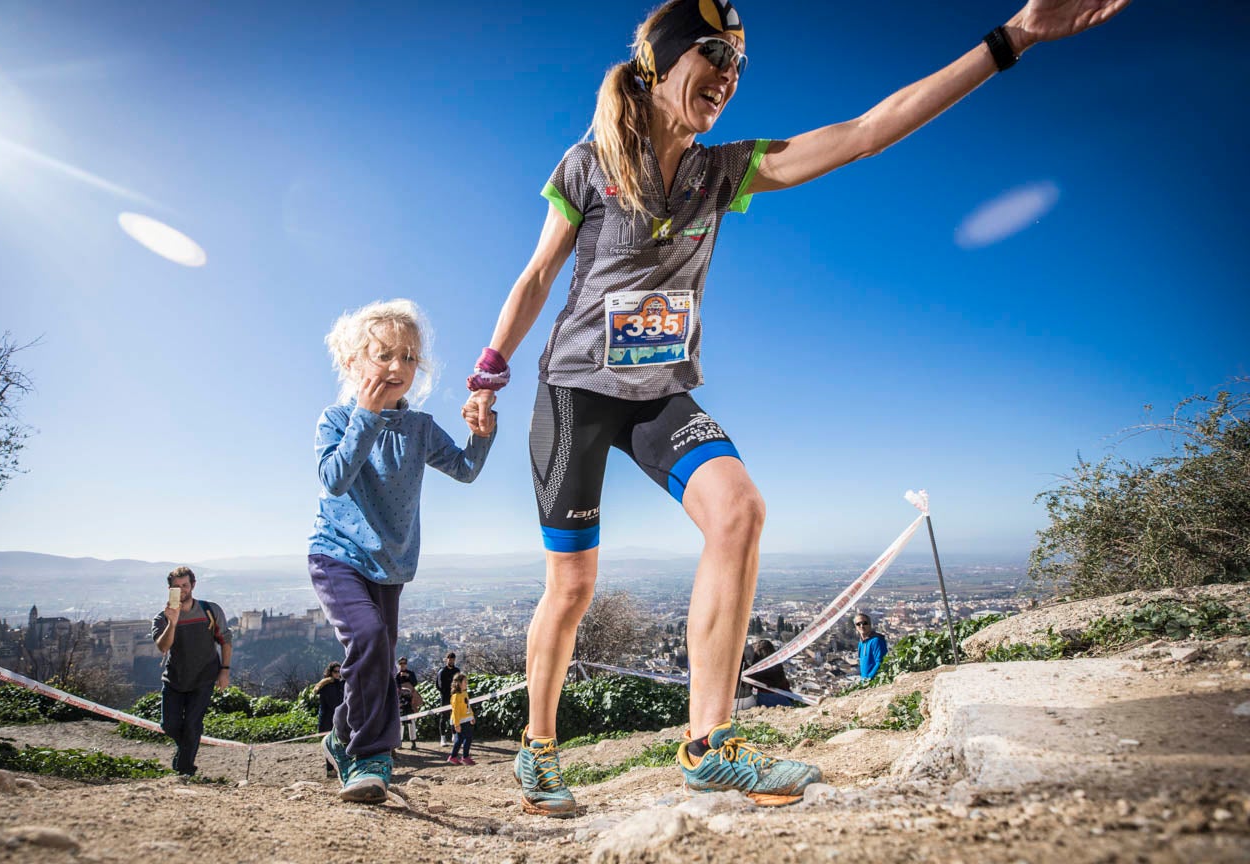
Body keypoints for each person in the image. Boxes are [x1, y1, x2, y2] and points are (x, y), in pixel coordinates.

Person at [461, 0, 1130, 816]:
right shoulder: (590, 162)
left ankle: (708, 746)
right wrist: (488, 370)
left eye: (741, 63)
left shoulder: (722, 171)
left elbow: (866, 132)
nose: (730, 75)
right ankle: (538, 750)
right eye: (714, 54)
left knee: (739, 509)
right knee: (571, 588)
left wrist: (1013, 37)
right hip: (575, 393)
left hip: (661, 393)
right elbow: (536, 276)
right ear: (662, 63)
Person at [309, 300, 496, 804]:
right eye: (384, 354)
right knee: (368, 639)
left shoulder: (419, 428)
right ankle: (371, 755)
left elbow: (464, 469)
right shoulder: (337, 418)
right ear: (352, 364)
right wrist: (366, 419)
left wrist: (482, 436)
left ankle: (340, 736)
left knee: (375, 658)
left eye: (410, 357)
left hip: (389, 567)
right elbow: (333, 479)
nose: (398, 367)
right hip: (336, 555)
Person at [152, 566, 232, 778]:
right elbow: (163, 647)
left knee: (192, 724)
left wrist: (224, 670)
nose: (182, 589)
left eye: (185, 585)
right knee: (168, 725)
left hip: (204, 678)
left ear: (193, 585)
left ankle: (185, 770)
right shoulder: (162, 618)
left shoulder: (210, 610)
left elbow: (225, 640)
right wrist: (173, 622)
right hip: (174, 679)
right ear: (170, 588)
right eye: (176, 587)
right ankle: (186, 750)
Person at [314, 662, 346, 776]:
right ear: (330, 672)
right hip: (328, 720)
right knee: (330, 745)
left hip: (337, 719)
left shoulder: (340, 684)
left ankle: (336, 768)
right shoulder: (327, 686)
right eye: (335, 671)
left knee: (339, 744)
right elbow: (335, 704)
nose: (338, 674)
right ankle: (330, 770)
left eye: (339, 671)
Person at [749, 639, 794, 708]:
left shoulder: (757, 665)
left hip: (763, 697)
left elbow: (753, 682)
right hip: (780, 695)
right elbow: (782, 681)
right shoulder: (776, 664)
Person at [446, 672, 476, 766]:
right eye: (465, 682)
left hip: (466, 719)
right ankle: (465, 757)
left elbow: (468, 706)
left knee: (459, 740)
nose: (466, 683)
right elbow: (455, 712)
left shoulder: (465, 693)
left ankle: (453, 757)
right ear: (459, 683)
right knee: (468, 738)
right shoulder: (455, 697)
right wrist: (457, 724)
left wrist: (472, 716)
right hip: (460, 721)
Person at [434, 652, 460, 746]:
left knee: (454, 716)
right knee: (443, 717)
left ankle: (455, 735)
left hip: (454, 696)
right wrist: (445, 691)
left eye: (453, 659)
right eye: (449, 659)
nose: (451, 661)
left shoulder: (457, 670)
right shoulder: (442, 671)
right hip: (445, 697)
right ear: (447, 660)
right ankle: (443, 738)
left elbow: (459, 683)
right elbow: (439, 685)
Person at [855, 613, 889, 680]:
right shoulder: (861, 643)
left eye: (864, 623)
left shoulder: (876, 641)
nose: (861, 626)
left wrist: (869, 678)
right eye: (858, 624)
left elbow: (881, 662)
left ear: (870, 624)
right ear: (856, 627)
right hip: (865, 682)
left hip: (875, 681)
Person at [396, 657, 420, 750]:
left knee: (411, 722)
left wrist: (408, 677)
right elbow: (395, 687)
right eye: (401, 663)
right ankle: (400, 742)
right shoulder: (397, 675)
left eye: (404, 663)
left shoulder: (411, 673)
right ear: (399, 665)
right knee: (401, 722)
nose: (402, 665)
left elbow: (415, 683)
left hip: (411, 701)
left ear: (406, 664)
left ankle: (413, 742)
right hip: (401, 701)